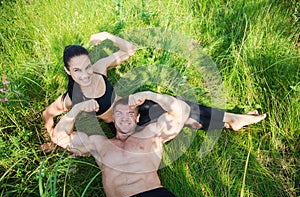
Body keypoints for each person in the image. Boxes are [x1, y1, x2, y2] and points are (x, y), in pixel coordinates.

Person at [42, 31, 266, 137]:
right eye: (77, 71)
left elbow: (129, 50)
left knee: (178, 105)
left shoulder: (99, 68)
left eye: (87, 67)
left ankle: (230, 120)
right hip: (125, 124)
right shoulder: (72, 98)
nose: (85, 74)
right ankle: (231, 120)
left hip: (133, 106)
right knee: (177, 115)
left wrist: (107, 36)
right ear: (68, 71)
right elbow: (47, 114)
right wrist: (51, 138)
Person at [50, 91, 190, 197]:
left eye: (130, 113)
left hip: (155, 195)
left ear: (138, 118)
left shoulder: (150, 134)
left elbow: (183, 111)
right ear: (113, 118)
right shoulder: (98, 143)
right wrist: (76, 109)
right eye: (119, 113)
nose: (124, 118)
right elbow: (59, 137)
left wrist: (149, 95)